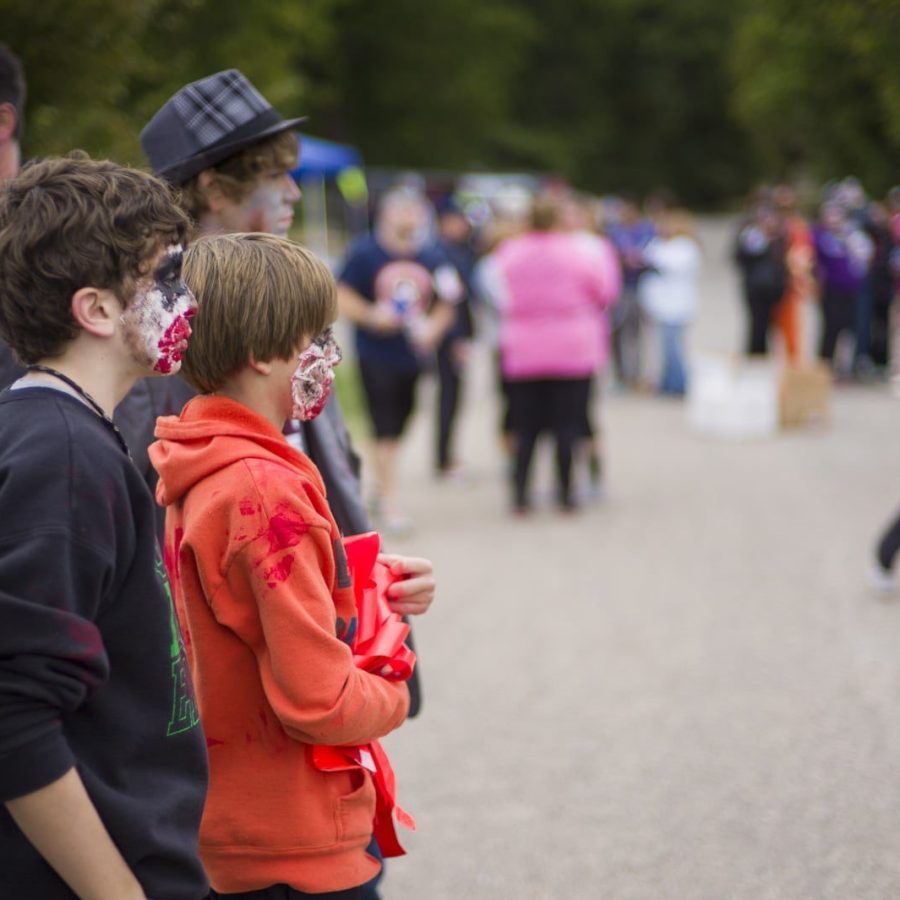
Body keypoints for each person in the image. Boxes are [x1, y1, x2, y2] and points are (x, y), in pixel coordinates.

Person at [151, 232, 411, 899]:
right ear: (262, 354)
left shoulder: (207, 462)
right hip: (292, 843)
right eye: (312, 335)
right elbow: (316, 697)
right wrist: (393, 694)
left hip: (239, 823)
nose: (325, 352)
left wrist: (376, 586)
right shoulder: (264, 493)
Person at [0, 154, 208, 899]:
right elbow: (14, 718)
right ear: (96, 310)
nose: (187, 301)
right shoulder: (62, 458)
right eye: (166, 279)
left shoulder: (65, 434)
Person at [337, 187, 463, 532]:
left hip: (413, 357)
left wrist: (433, 330)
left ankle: (382, 487)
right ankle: (390, 499)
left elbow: (449, 302)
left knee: (403, 421)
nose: (409, 217)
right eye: (402, 210)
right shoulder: (365, 253)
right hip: (375, 352)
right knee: (385, 427)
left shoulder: (433, 256)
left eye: (415, 210)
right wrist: (370, 316)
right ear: (387, 214)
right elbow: (340, 293)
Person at [493, 192, 620, 513]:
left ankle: (520, 493)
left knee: (525, 425)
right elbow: (604, 292)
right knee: (568, 424)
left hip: (523, 346)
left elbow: (496, 291)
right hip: (571, 346)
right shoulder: (578, 253)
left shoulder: (510, 253)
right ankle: (566, 492)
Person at [638, 209, 702, 396]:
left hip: (675, 306)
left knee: (674, 347)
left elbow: (666, 264)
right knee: (663, 348)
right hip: (660, 306)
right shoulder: (658, 244)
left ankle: (679, 383)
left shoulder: (685, 247)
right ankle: (667, 382)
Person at [734, 202, 787, 356]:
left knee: (771, 326)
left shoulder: (780, 238)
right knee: (757, 325)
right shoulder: (752, 237)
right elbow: (743, 259)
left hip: (774, 288)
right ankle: (756, 355)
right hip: (756, 288)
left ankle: (765, 355)